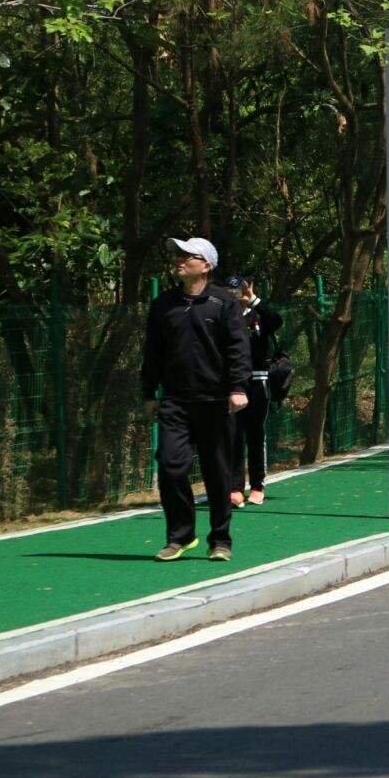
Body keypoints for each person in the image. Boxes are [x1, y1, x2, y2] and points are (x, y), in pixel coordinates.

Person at [141, 237, 251, 562]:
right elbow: (152, 353)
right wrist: (149, 392)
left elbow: (237, 348)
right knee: (172, 467)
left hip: (216, 401)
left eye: (188, 256)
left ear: (206, 265)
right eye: (178, 254)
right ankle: (181, 535)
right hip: (175, 402)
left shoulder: (223, 304)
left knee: (217, 473)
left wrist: (238, 387)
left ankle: (220, 540)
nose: (180, 260)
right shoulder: (163, 305)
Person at [223, 273, 281, 508]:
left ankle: (257, 485)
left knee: (255, 436)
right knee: (234, 436)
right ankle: (235, 487)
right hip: (232, 385)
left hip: (258, 382)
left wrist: (254, 299)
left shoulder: (259, 316)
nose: (237, 297)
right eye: (231, 293)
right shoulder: (223, 317)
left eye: (240, 292)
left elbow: (276, 321)